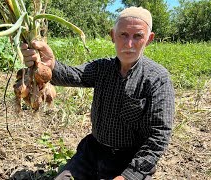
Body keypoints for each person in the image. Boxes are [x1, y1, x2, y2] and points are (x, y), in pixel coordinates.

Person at [20, 7, 175, 180]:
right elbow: (73, 75)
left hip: (130, 161)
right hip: (93, 153)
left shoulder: (157, 78)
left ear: (149, 39)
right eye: (123, 34)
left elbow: (159, 135)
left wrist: (128, 176)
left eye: (137, 36)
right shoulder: (102, 68)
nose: (129, 44)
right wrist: (50, 65)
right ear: (112, 35)